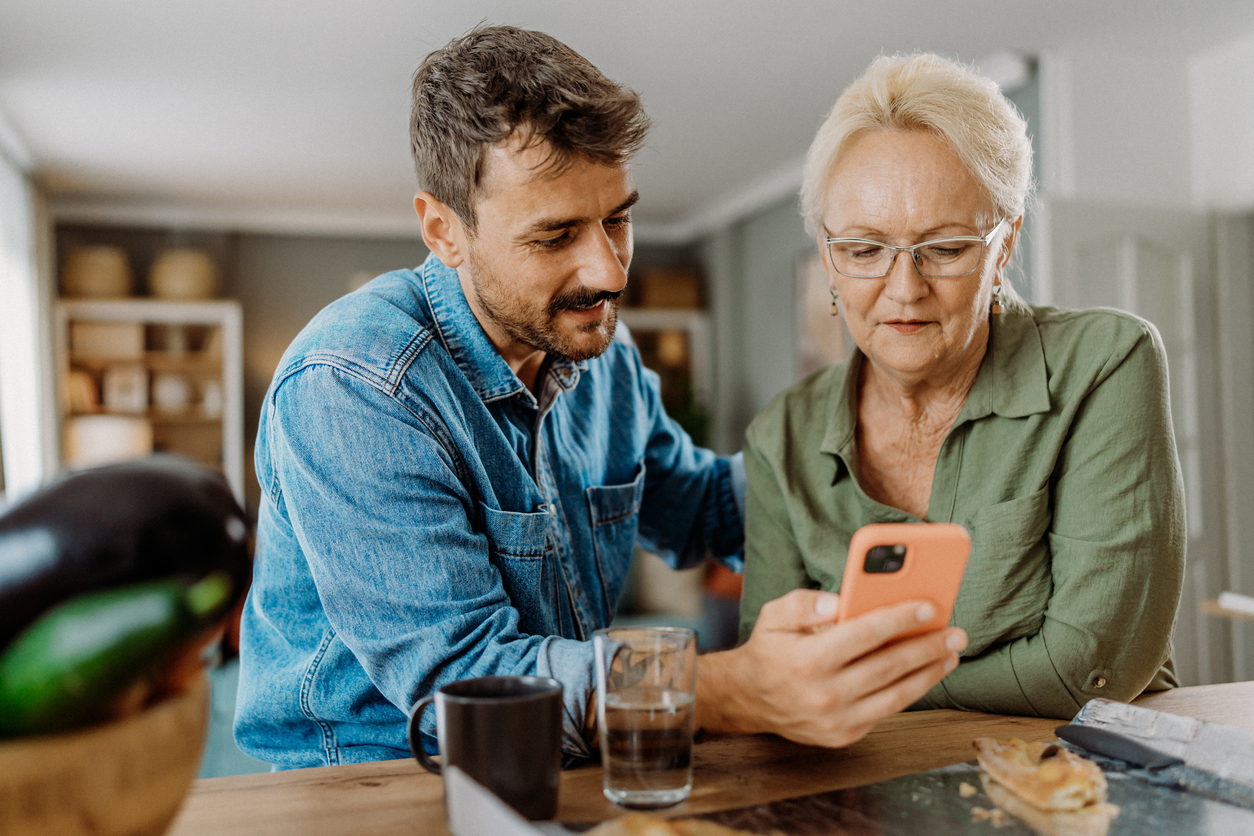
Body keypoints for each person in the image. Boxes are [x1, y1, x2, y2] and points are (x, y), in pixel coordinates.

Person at [235, 26, 966, 769]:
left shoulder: (598, 350)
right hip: (374, 782)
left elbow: (705, 506)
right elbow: (468, 683)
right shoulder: (354, 385)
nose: (609, 271)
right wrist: (724, 690)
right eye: (556, 237)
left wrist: (899, 450)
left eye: (617, 219)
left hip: (568, 760)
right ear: (443, 229)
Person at [741, 53, 1185, 720]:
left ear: (1004, 245)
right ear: (828, 257)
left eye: (946, 248)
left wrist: (864, 688)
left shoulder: (1106, 363)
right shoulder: (781, 433)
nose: (904, 290)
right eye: (864, 251)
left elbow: (1089, 667)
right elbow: (774, 668)